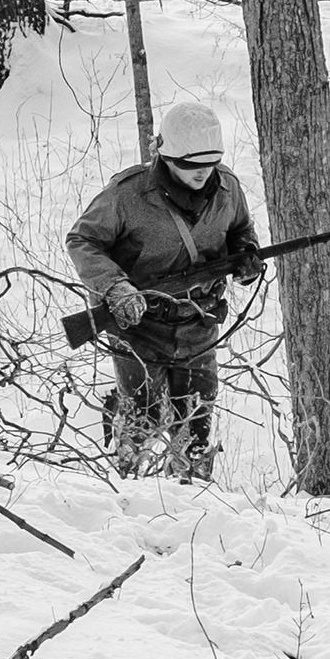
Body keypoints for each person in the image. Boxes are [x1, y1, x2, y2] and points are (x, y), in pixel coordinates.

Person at [66, 101, 263, 478]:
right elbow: (83, 240)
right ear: (168, 156)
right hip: (138, 327)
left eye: (210, 163)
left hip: (199, 325)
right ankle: (125, 489)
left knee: (196, 426)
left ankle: (193, 497)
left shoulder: (228, 188)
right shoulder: (128, 194)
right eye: (191, 164)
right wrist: (116, 287)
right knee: (142, 422)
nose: (203, 172)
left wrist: (246, 255)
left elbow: (241, 230)